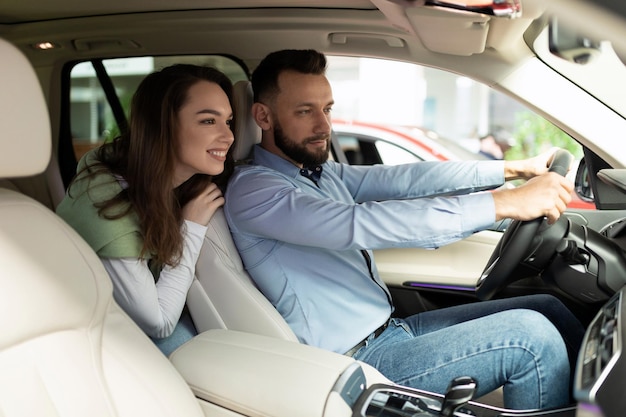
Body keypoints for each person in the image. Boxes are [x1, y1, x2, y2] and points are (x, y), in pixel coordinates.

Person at [223, 49, 585, 410]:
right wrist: (505, 204)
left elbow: (408, 178)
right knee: (530, 337)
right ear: (263, 116)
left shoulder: (315, 172)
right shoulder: (256, 192)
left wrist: (512, 170)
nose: (324, 126)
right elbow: (359, 224)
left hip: (392, 331)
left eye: (327, 109)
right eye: (305, 111)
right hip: (355, 366)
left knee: (547, 307)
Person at [57, 64, 235, 356]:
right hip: (80, 336)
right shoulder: (106, 204)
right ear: (161, 126)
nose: (228, 136)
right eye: (207, 121)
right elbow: (159, 323)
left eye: (228, 121)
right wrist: (191, 228)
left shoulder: (178, 182)